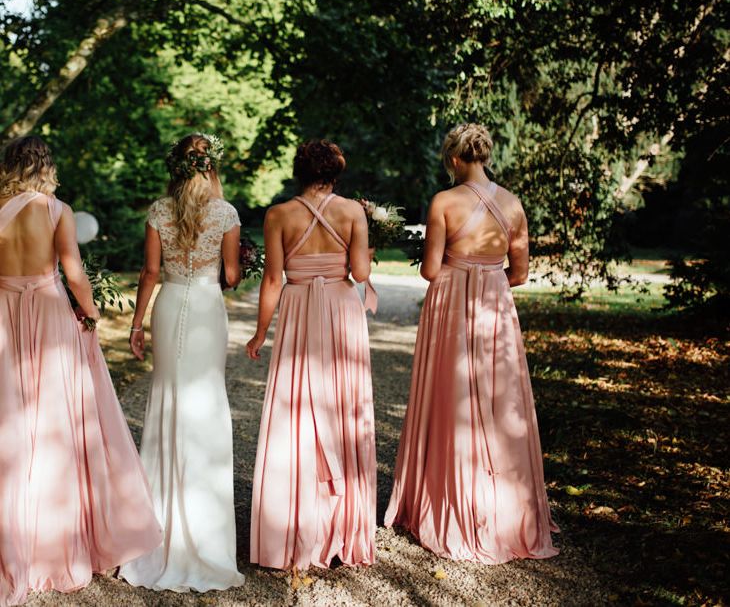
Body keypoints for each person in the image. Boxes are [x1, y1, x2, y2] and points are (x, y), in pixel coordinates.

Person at [384, 123, 559, 563]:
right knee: (501, 398)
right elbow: (519, 273)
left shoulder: (444, 201)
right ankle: (504, 506)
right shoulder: (513, 204)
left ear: (455, 159)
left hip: (452, 304)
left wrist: (455, 266)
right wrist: (488, 275)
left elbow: (428, 270)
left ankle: (451, 502)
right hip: (495, 306)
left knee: (454, 395)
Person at [0, 136, 162, 607]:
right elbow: (74, 274)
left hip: (5, 317)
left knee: (10, 421)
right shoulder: (56, 210)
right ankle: (54, 541)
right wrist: (89, 314)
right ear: (47, 167)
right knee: (54, 421)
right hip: (48, 317)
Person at [119, 133, 245, 592]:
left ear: (176, 167)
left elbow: (150, 272)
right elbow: (231, 275)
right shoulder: (226, 213)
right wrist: (238, 263)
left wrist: (136, 324)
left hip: (169, 305)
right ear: (211, 165)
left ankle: (158, 530)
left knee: (167, 401)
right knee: (206, 402)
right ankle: (205, 533)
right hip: (208, 308)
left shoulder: (158, 210)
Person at [247, 139, 376, 571]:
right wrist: (369, 255)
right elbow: (359, 274)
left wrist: (260, 333)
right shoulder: (353, 212)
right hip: (341, 311)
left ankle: (294, 520)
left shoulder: (279, 215)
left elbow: (271, 280)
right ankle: (342, 523)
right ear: (336, 172)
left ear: (298, 171)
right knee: (343, 406)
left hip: (300, 310)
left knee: (297, 409)